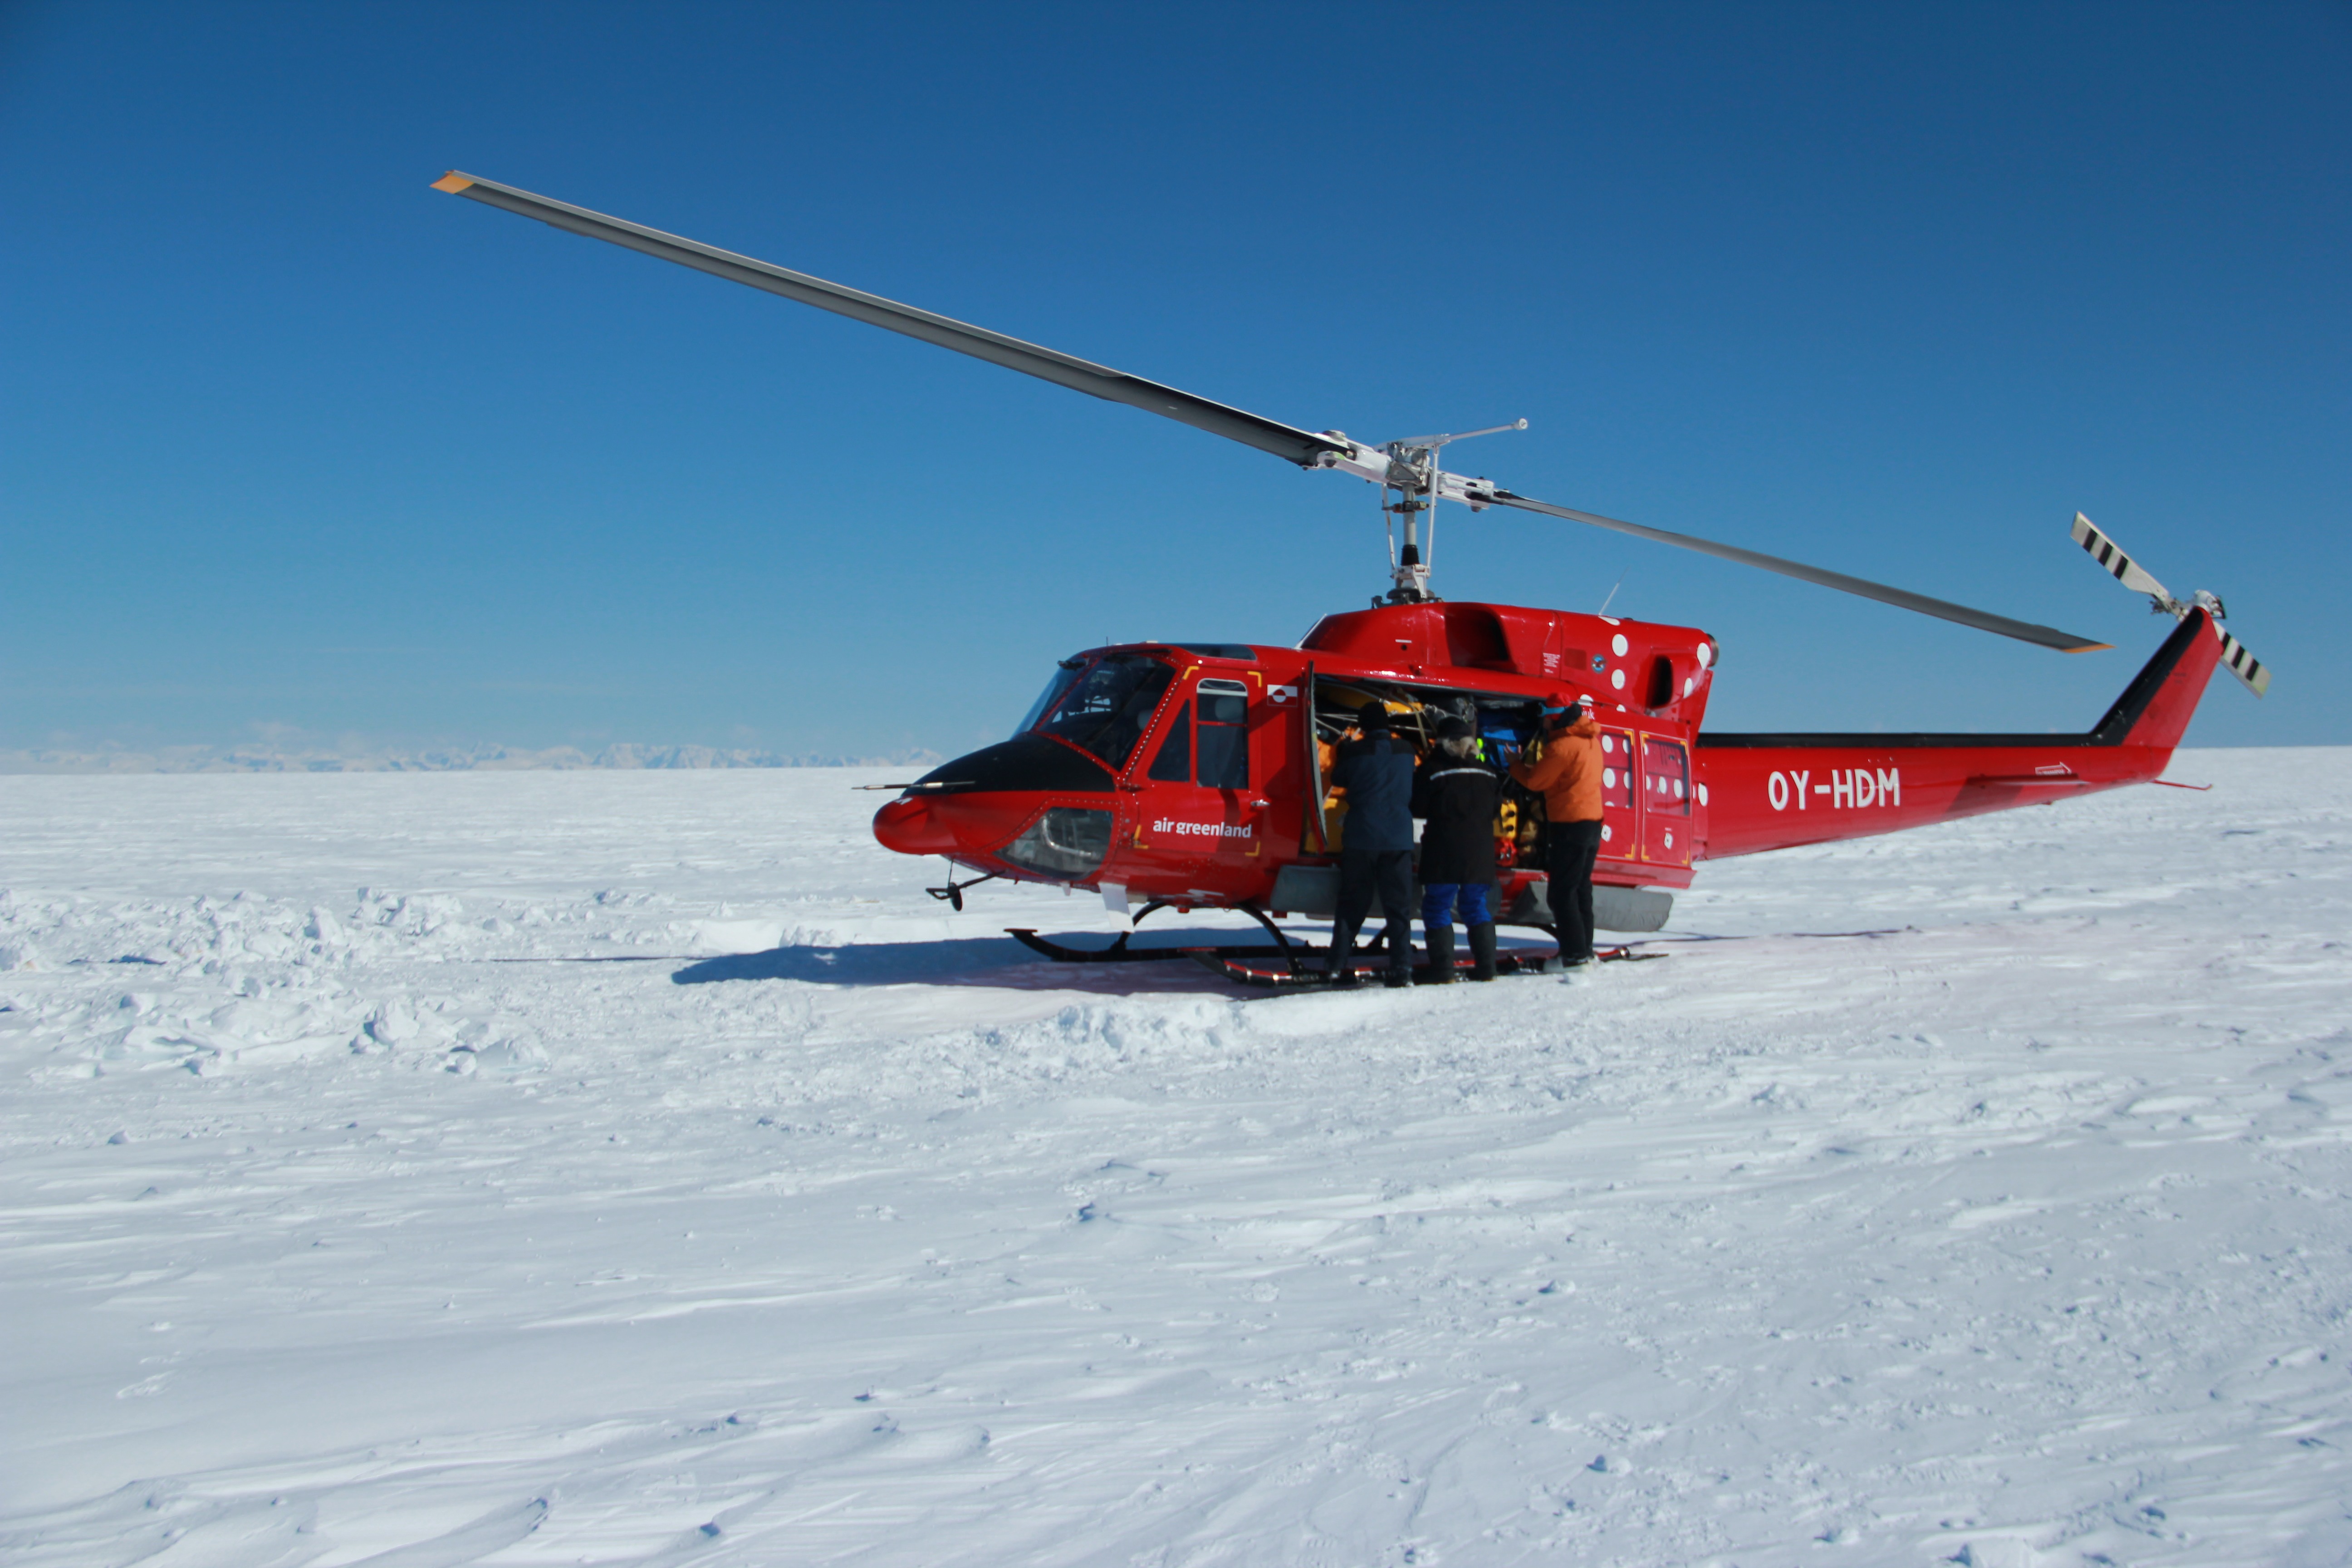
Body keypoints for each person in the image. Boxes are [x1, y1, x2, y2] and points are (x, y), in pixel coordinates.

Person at [1327, 704, 1417, 987]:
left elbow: (1338, 778)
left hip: (1361, 836)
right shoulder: (1406, 751)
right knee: (1399, 907)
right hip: (1398, 838)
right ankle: (1402, 968)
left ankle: (1337, 964)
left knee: (1353, 904)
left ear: (1363, 727)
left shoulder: (1355, 751)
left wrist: (1343, 747)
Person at [1510, 698, 1604, 965]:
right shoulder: (1591, 741)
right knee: (1581, 889)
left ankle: (1574, 955)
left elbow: (1534, 780)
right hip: (1592, 823)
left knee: (1562, 893)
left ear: (1554, 717)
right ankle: (1585, 948)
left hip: (1569, 825)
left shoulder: (1562, 746)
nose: (1543, 723)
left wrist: (1514, 764)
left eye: (1545, 717)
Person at [1411, 714, 1502, 982]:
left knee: (1438, 906)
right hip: (1480, 854)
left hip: (1444, 852)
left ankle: (1443, 970)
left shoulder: (1432, 771)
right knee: (1476, 906)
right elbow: (1496, 810)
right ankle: (1488, 969)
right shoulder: (1489, 774)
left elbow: (1417, 808)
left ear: (1443, 743)